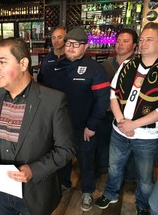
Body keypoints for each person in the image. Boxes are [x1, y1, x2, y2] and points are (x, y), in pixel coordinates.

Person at [0, 37, 75, 215]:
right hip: (0, 189)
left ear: (23, 64)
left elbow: (65, 149)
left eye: (2, 62)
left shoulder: (52, 100)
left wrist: (34, 170)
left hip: (34, 191)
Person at [43, 27, 110, 211]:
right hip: (60, 127)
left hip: (84, 128)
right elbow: (46, 95)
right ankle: (64, 184)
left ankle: (87, 192)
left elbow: (102, 101)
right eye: (69, 43)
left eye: (76, 44)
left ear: (85, 47)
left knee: (86, 161)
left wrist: (92, 125)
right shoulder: (54, 66)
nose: (71, 47)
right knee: (61, 159)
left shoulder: (95, 69)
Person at [95, 22, 158, 215]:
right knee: (114, 167)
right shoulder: (128, 65)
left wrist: (134, 124)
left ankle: (142, 204)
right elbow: (113, 94)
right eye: (142, 39)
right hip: (119, 129)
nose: (144, 43)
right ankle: (111, 192)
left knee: (145, 176)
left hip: (147, 136)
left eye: (150, 39)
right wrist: (122, 122)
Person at [95, 29, 138, 177]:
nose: (120, 45)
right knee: (103, 142)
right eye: (118, 41)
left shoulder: (138, 66)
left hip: (128, 117)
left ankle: (129, 176)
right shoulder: (106, 64)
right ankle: (103, 169)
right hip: (106, 111)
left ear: (134, 45)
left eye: (125, 41)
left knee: (129, 147)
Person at [36, 26, 72, 190]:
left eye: (60, 37)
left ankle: (65, 180)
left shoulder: (71, 59)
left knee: (63, 145)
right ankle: (50, 179)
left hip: (66, 109)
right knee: (48, 145)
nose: (56, 40)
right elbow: (41, 82)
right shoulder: (47, 59)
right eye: (54, 37)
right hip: (48, 109)